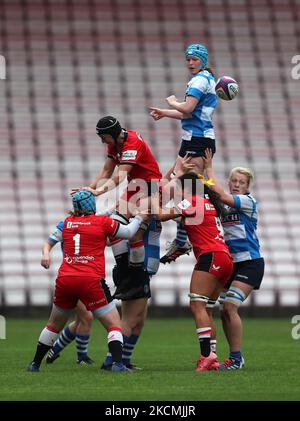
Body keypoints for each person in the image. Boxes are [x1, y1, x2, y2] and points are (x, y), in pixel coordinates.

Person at [71, 116, 162, 370]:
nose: (102, 142)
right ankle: (114, 361)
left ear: (114, 134)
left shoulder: (131, 142)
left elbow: (120, 176)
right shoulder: (117, 144)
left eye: (104, 137)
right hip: (138, 190)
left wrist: (98, 192)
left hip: (145, 188)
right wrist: (90, 189)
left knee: (139, 317)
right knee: (133, 315)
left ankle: (124, 359)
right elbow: (106, 172)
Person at [27, 190, 147, 373]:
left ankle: (34, 364)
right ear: (92, 204)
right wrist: (140, 217)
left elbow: (51, 241)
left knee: (53, 325)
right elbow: (130, 232)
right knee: (114, 324)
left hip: (65, 279)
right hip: (90, 279)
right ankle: (118, 364)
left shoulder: (66, 223)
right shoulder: (102, 222)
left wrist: (45, 255)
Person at [151, 172, 233, 372]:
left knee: (196, 305)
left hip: (211, 256)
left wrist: (154, 197)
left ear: (186, 188)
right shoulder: (208, 203)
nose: (176, 192)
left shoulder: (192, 201)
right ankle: (212, 357)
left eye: (178, 188)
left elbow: (160, 215)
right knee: (206, 309)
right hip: (224, 258)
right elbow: (199, 233)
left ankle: (205, 356)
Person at [149, 43, 218, 263]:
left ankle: (182, 239)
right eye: (188, 59)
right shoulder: (204, 79)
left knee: (187, 193)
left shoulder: (199, 80)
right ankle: (169, 229)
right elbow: (189, 114)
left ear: (203, 60)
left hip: (198, 142)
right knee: (170, 183)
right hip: (191, 139)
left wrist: (172, 102)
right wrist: (166, 112)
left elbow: (186, 109)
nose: (190, 63)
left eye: (194, 59)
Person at [203, 148, 265, 370]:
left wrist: (208, 167)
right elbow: (214, 197)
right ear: (230, 182)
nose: (237, 184)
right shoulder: (224, 207)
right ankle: (233, 357)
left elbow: (219, 194)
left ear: (247, 187)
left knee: (229, 307)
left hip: (250, 263)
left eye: (242, 182)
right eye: (234, 181)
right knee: (223, 310)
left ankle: (237, 358)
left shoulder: (248, 201)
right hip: (231, 264)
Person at [41, 220, 94, 365]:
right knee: (87, 317)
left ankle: (54, 350)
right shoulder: (66, 224)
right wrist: (46, 254)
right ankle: (81, 357)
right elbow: (49, 242)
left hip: (86, 276)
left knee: (81, 320)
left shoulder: (93, 222)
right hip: (72, 276)